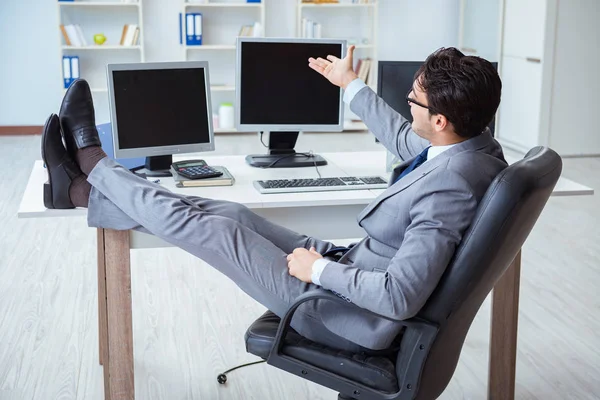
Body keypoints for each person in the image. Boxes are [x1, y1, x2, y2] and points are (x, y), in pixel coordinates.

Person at [41, 46, 507, 352]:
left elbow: (400, 297)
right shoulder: (476, 148)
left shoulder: (451, 187)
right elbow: (408, 140)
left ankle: (93, 164)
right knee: (230, 211)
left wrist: (317, 270)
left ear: (442, 120)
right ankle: (81, 190)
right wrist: (351, 85)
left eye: (414, 99)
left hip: (345, 316)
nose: (407, 101)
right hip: (353, 271)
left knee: (213, 229)